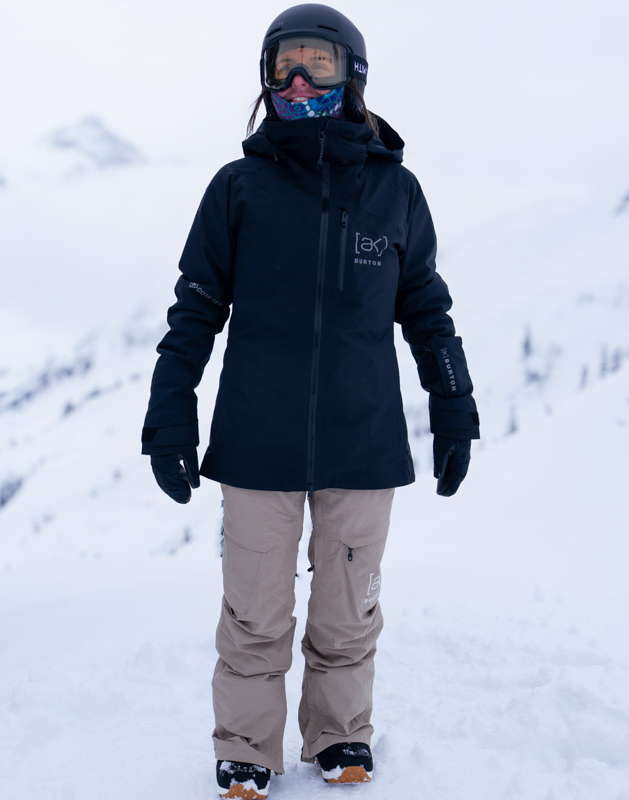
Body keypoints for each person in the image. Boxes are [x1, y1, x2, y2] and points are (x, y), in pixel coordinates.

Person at [140, 4, 480, 797]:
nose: (297, 81)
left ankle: (339, 737)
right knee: (255, 615)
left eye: (316, 65)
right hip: (258, 442)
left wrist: (454, 406)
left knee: (345, 614)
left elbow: (427, 309)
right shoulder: (239, 189)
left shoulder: (394, 191)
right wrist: (169, 411)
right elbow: (194, 309)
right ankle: (246, 750)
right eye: (282, 65)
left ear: (352, 75)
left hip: (362, 444)